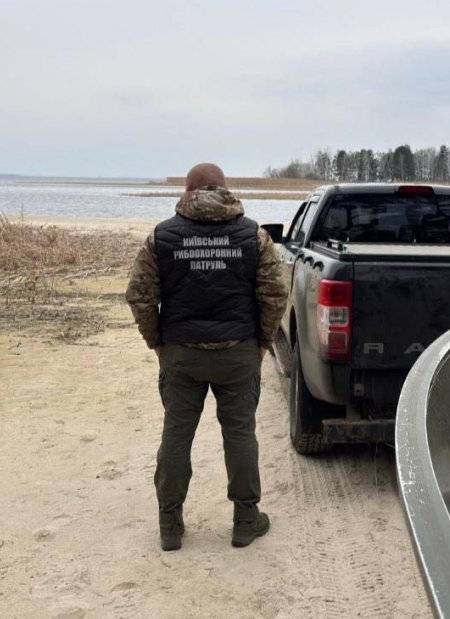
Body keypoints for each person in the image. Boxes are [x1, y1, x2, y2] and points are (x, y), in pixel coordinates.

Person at [126, 163, 287, 551]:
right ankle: (246, 520)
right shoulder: (253, 236)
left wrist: (159, 344)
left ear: (187, 189)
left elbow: (140, 295)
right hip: (238, 354)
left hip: (182, 356)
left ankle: (170, 524)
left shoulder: (162, 237)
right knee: (240, 434)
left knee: (177, 434)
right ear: (225, 188)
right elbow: (275, 293)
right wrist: (262, 342)